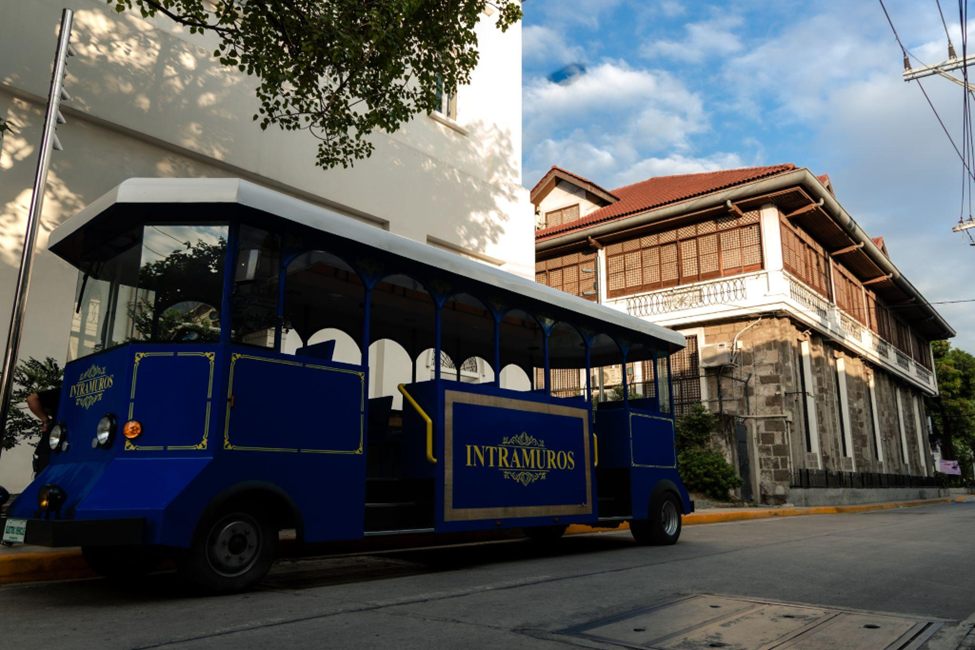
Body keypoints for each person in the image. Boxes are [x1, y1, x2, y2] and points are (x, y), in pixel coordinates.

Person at [27, 387, 60, 475]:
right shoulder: (65, 392)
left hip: (51, 444)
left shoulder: (64, 391)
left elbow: (32, 399)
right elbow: (32, 399)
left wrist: (46, 421)